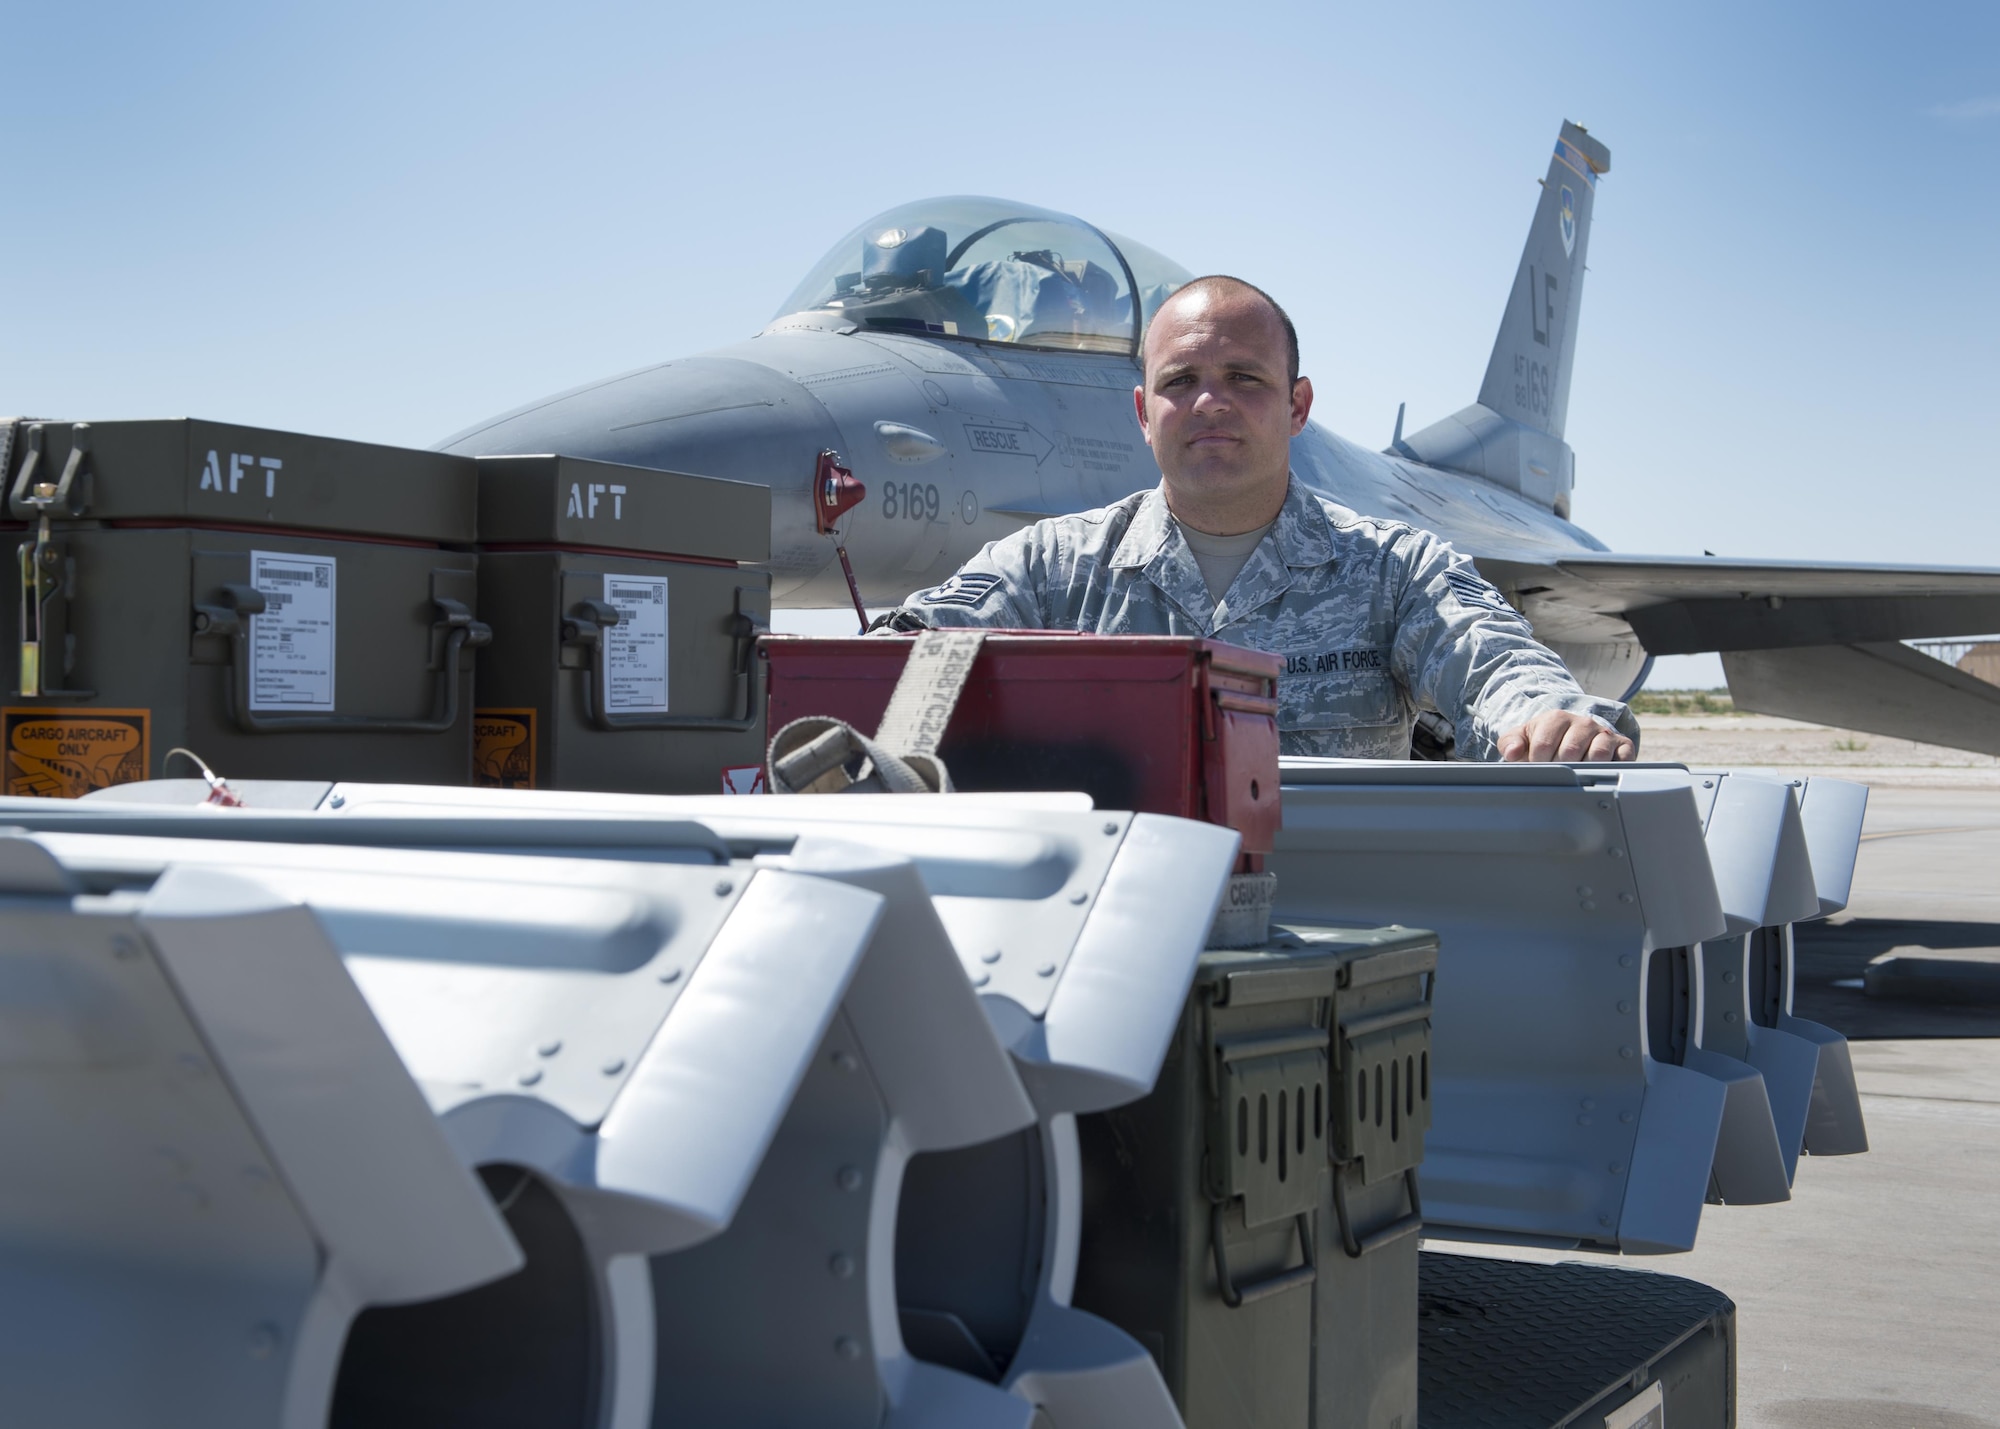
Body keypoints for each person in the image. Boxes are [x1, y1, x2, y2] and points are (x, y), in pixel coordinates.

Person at [882, 276, 1638, 762]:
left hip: (1328, 938)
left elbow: (1496, 662)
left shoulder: (1393, 570)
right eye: (1181, 381)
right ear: (1145, 414)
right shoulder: (1053, 570)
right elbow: (893, 659)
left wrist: (1551, 719)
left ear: (1297, 405)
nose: (1210, 402)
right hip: (1111, 941)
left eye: (1244, 378)